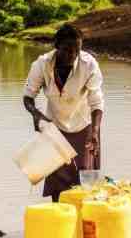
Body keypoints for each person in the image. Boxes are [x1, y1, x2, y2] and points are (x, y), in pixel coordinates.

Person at [22, 24, 104, 202]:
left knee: (87, 184)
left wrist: (95, 132)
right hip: (55, 129)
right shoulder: (42, 65)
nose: (72, 55)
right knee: (57, 184)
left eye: (76, 50)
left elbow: (96, 102)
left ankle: (85, 223)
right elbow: (28, 97)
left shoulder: (89, 65)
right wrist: (36, 115)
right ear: (56, 46)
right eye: (67, 50)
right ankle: (61, 219)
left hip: (84, 127)